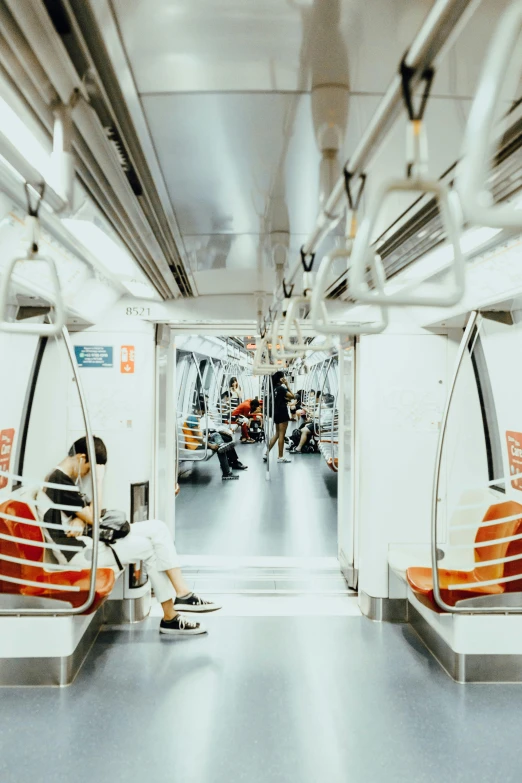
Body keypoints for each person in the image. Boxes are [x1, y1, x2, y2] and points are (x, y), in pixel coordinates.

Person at [44, 437, 220, 636]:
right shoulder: (59, 482)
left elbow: (89, 514)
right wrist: (98, 482)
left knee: (158, 528)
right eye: (88, 469)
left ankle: (183, 593)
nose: (87, 475)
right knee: (147, 547)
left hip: (84, 543)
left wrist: (81, 519)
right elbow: (95, 514)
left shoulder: (61, 480)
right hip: (77, 554)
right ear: (81, 457)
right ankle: (170, 617)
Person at [187, 398, 247, 480]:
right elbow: (197, 437)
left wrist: (205, 437)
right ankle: (227, 472)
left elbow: (198, 435)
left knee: (217, 439)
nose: (202, 415)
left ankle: (227, 468)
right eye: (203, 412)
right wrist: (210, 445)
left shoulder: (193, 417)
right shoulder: (192, 419)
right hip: (195, 445)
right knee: (219, 447)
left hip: (197, 442)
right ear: (198, 409)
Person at [263, 371, 295, 464]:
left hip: (275, 413)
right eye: (283, 377)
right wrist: (287, 385)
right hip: (282, 413)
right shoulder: (281, 388)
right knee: (281, 435)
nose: (284, 378)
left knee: (277, 434)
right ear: (280, 378)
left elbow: (284, 398)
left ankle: (266, 453)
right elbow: (292, 396)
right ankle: (280, 456)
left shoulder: (273, 388)